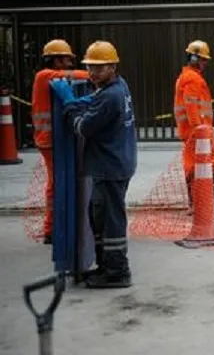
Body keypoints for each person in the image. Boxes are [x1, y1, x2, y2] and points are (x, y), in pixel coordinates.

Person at [50, 40, 136, 289]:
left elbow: (83, 128)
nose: (93, 73)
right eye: (90, 67)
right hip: (114, 163)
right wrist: (84, 102)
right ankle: (106, 266)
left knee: (110, 221)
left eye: (99, 68)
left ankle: (118, 272)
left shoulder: (111, 95)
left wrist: (68, 106)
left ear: (113, 67)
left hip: (111, 166)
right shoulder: (118, 86)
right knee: (99, 216)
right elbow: (96, 101)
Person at [31, 39, 90, 245]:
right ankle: (51, 228)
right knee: (56, 184)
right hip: (49, 141)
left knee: (59, 183)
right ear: (54, 60)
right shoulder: (44, 76)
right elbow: (75, 76)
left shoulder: (49, 78)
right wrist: (96, 74)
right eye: (66, 59)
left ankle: (57, 225)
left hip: (55, 140)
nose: (69, 63)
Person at [173, 40, 214, 217]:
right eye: (203, 59)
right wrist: (201, 131)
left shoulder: (186, 77)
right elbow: (192, 106)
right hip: (198, 133)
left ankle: (201, 204)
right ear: (194, 58)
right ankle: (211, 204)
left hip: (195, 132)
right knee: (210, 165)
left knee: (195, 167)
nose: (205, 63)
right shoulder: (192, 79)